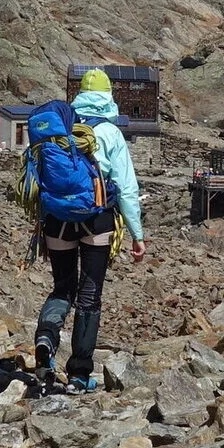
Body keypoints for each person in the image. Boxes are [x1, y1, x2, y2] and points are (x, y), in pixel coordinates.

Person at [34, 70, 145, 391]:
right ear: (109, 96)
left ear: (79, 95)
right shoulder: (110, 132)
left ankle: (46, 337)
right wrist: (137, 236)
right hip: (97, 218)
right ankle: (80, 374)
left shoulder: (59, 128)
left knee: (62, 287)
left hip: (56, 218)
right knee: (89, 294)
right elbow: (126, 187)